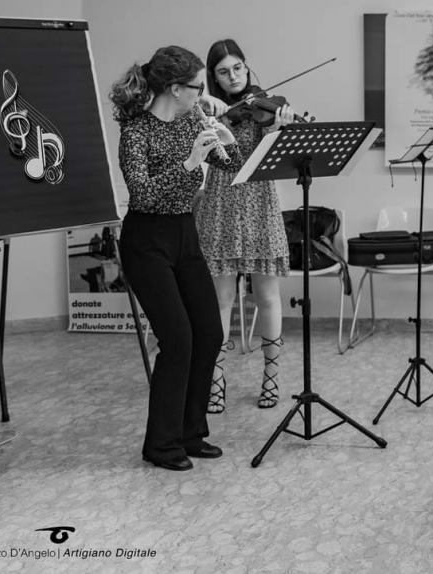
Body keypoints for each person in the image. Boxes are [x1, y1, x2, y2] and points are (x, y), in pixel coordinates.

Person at [109, 45, 242, 471]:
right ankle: (160, 444)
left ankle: (191, 432)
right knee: (178, 339)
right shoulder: (136, 131)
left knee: (209, 332)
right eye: (197, 86)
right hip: (146, 240)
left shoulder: (192, 121)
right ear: (174, 88)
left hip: (185, 234)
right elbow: (144, 195)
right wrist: (189, 161)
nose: (203, 94)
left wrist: (226, 141)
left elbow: (231, 168)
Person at [194, 39, 295, 411]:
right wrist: (205, 111)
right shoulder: (205, 109)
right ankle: (215, 382)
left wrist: (276, 131)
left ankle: (272, 378)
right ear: (213, 76)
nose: (233, 76)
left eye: (238, 68)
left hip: (260, 203)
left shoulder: (266, 107)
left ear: (247, 67)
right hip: (220, 202)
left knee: (266, 296)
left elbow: (274, 160)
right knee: (220, 300)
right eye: (223, 71)